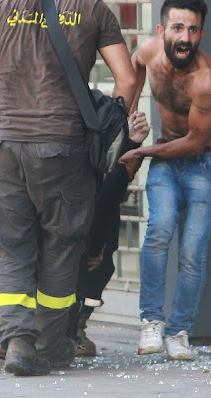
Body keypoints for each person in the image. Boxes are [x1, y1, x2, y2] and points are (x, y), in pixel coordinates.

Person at [0, 0, 136, 376]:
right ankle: (52, 346)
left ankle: (17, 343)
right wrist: (112, 120)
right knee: (61, 243)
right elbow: (126, 80)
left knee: (9, 244)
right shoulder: (95, 10)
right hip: (63, 149)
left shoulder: (10, 6)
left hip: (4, 145)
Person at [119, 0, 211, 361]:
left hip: (208, 160)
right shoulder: (150, 50)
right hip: (167, 155)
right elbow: (135, 66)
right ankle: (151, 321)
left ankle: (178, 331)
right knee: (159, 231)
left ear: (202, 34)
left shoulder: (207, 79)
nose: (185, 37)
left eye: (194, 30)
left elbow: (194, 142)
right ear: (162, 29)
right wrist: (129, 113)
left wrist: (141, 150)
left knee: (191, 251)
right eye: (178, 27)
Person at [72, 111, 150, 356]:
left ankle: (77, 327)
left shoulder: (110, 174)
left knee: (101, 265)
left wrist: (132, 142)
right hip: (64, 222)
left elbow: (112, 189)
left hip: (95, 227)